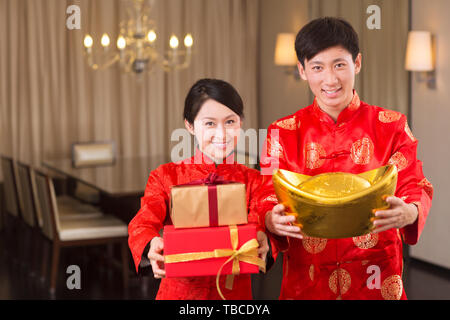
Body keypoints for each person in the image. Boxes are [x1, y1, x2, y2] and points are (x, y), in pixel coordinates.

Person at [259, 17, 433, 300]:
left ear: (357, 63)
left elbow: (415, 184)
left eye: (340, 64)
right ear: (302, 71)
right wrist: (269, 218)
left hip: (376, 271)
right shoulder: (281, 131)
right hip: (308, 274)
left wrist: (410, 212)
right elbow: (267, 191)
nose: (331, 79)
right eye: (317, 67)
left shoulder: (392, 125)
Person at [128, 78, 270, 300]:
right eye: (210, 123)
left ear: (241, 123)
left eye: (230, 122)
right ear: (190, 126)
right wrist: (151, 243)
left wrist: (264, 236)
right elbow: (143, 223)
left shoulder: (255, 181)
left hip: (233, 295)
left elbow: (262, 217)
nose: (222, 134)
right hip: (179, 294)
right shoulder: (165, 176)